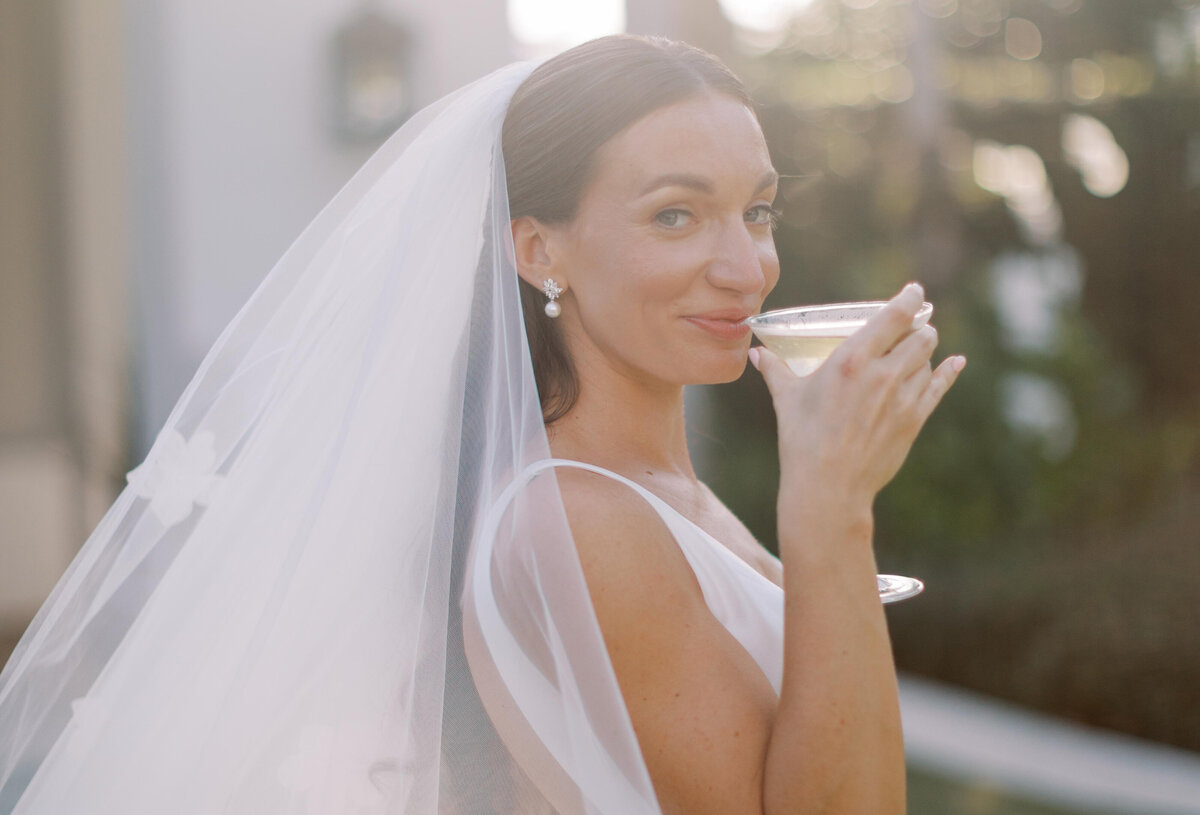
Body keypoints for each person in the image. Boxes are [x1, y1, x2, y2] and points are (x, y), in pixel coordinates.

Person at [0, 34, 962, 814]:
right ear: (540, 249)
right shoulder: (575, 525)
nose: (745, 265)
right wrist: (833, 512)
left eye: (756, 210)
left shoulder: (660, 495)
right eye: (676, 216)